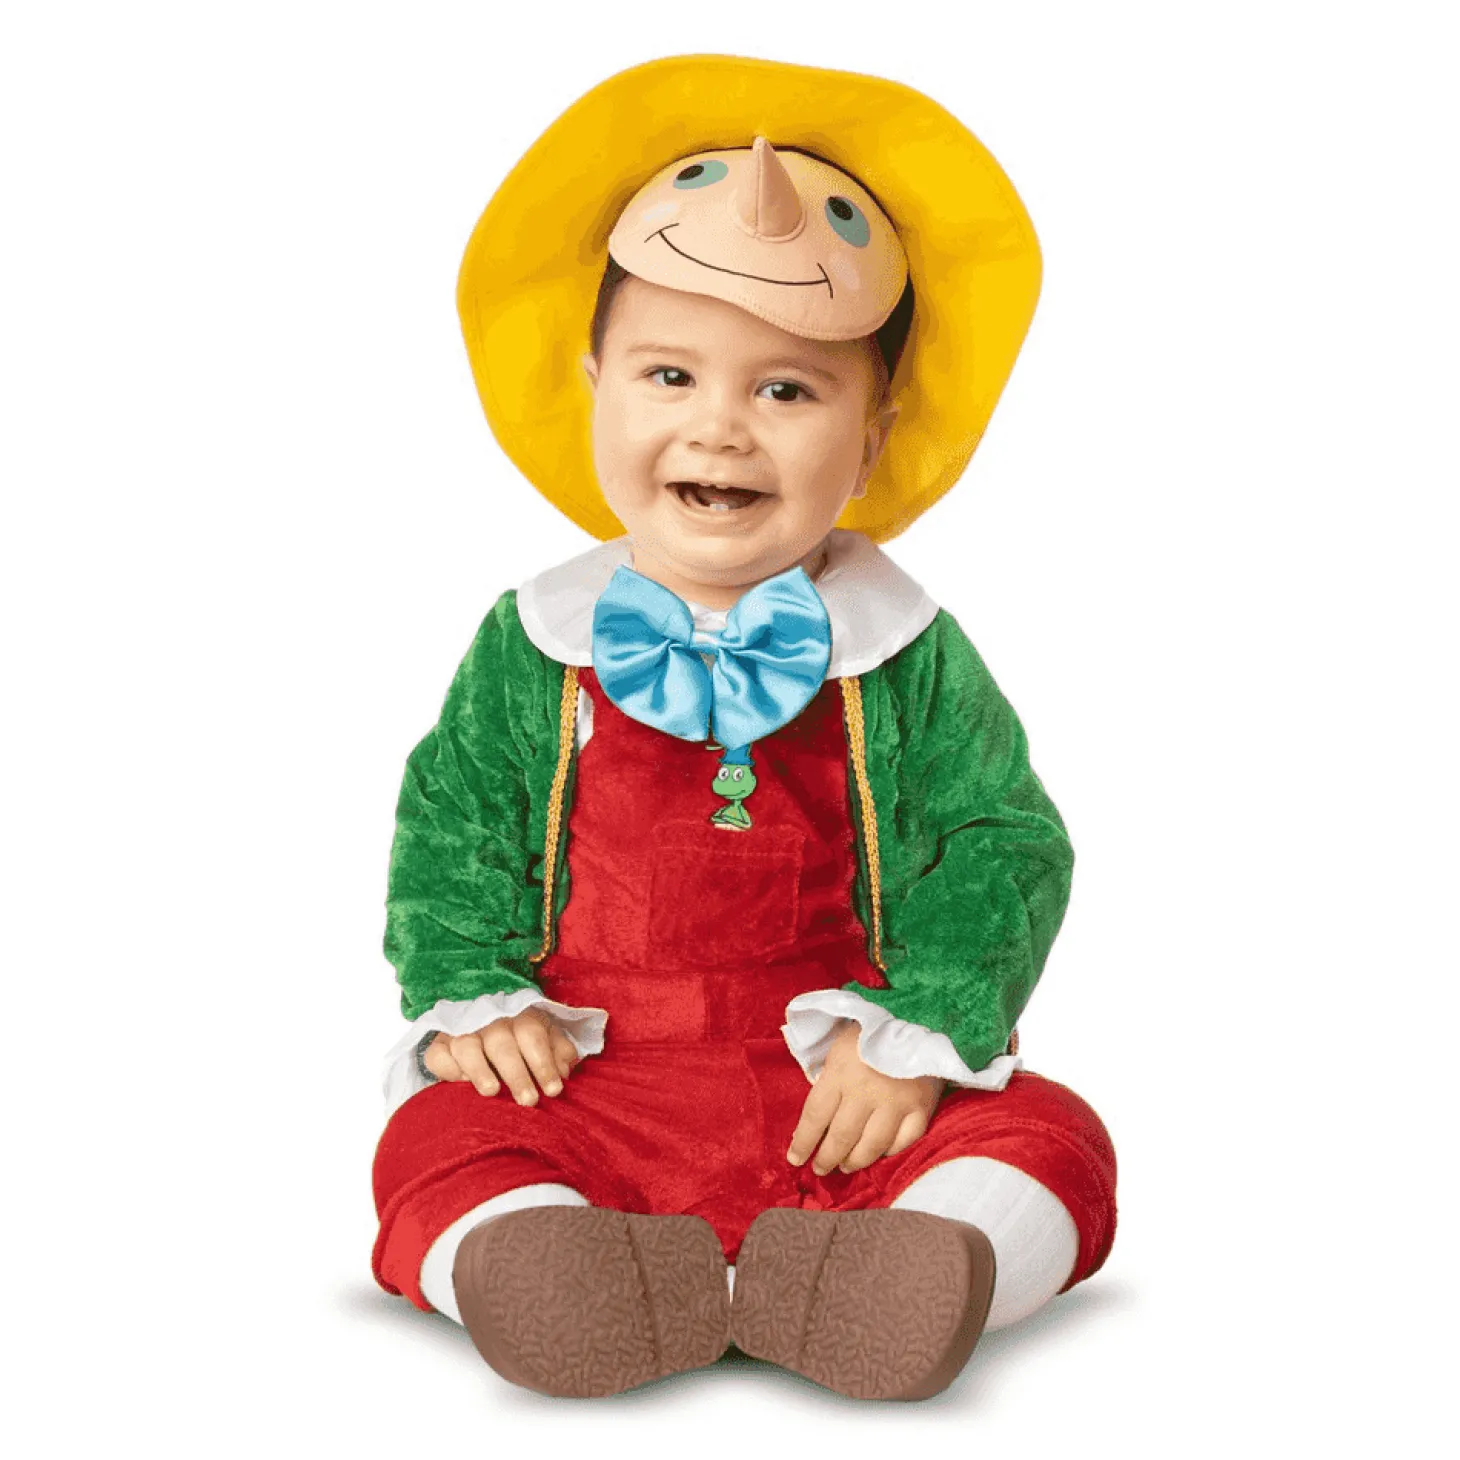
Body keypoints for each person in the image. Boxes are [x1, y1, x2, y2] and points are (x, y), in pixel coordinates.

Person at [370, 53, 1117, 1402]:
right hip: (597, 1081)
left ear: (876, 432)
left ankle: (901, 1269)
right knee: (438, 1136)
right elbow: (456, 820)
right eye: (669, 374)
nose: (720, 429)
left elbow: (1002, 840)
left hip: (839, 1089)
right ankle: (549, 1263)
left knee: (1053, 1135)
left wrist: (915, 1032)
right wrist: (476, 996)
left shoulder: (906, 652)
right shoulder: (532, 642)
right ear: (593, 383)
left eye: (787, 391)